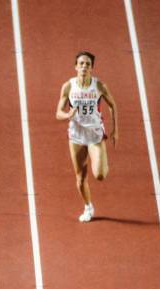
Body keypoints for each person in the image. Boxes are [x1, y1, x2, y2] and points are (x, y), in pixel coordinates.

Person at [56, 51, 118, 222]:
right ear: (76, 66)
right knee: (81, 176)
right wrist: (67, 115)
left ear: (92, 68)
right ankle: (88, 207)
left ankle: (99, 157)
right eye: (81, 63)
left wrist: (115, 130)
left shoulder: (99, 86)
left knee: (99, 175)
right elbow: (58, 113)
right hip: (76, 136)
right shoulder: (68, 86)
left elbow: (112, 105)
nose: (84, 66)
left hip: (95, 134)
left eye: (88, 64)